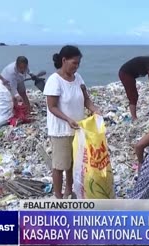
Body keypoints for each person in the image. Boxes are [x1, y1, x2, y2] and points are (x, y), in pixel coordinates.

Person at [44, 45, 102, 199]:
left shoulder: (79, 78)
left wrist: (94, 109)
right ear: (64, 60)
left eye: (78, 64)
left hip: (77, 129)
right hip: (61, 130)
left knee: (73, 164)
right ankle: (58, 195)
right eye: (74, 63)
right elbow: (52, 106)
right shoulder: (54, 80)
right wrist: (68, 119)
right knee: (60, 165)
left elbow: (86, 99)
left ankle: (70, 191)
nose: (76, 67)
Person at [118, 50, 149, 121]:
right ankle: (134, 118)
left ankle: (134, 117)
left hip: (130, 75)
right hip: (125, 74)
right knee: (133, 96)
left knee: (134, 95)